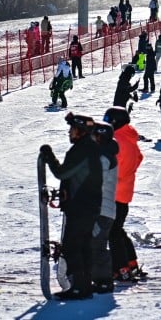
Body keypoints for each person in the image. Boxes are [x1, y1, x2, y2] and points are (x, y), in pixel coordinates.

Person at [41, 113, 103, 299]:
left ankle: (79, 287)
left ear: (81, 131)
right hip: (87, 205)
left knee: (72, 246)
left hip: (81, 206)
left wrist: (48, 155)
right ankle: (84, 284)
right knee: (83, 245)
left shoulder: (82, 150)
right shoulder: (89, 148)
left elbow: (63, 173)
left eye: (72, 129)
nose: (70, 132)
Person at [103, 106, 146, 282]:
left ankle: (121, 268)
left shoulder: (119, 140)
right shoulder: (127, 138)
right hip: (122, 192)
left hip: (115, 192)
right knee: (117, 230)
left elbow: (118, 168)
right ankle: (130, 263)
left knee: (112, 232)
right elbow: (138, 158)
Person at [90, 121, 118, 294]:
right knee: (93, 244)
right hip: (101, 208)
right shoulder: (102, 155)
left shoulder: (103, 158)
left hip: (101, 209)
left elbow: (94, 182)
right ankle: (97, 279)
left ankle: (104, 281)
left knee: (97, 245)